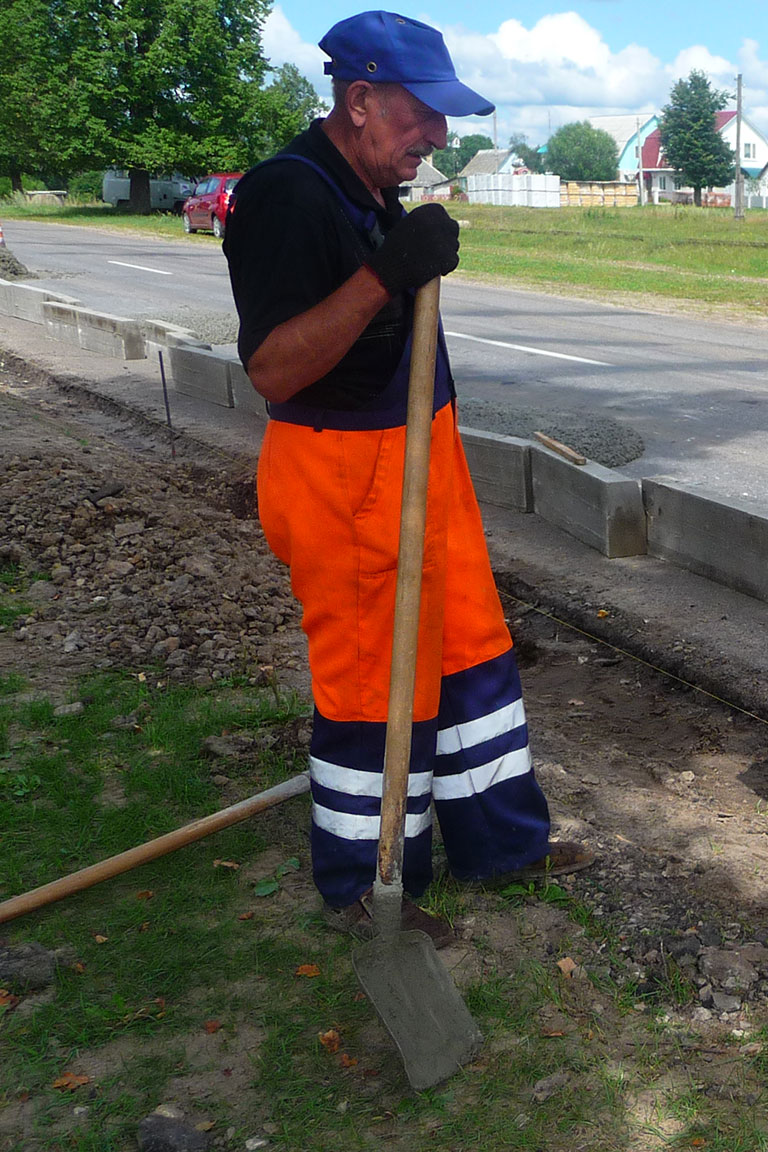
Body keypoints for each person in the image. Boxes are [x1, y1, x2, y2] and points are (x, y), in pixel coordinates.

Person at [223, 11, 590, 945]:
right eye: (422, 113)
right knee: (368, 685)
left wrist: (395, 254)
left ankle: (501, 845)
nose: (438, 134)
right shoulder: (286, 196)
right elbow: (273, 368)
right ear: (360, 100)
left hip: (422, 461)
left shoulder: (372, 190)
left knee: (469, 655)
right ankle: (368, 884)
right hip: (343, 480)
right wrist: (386, 275)